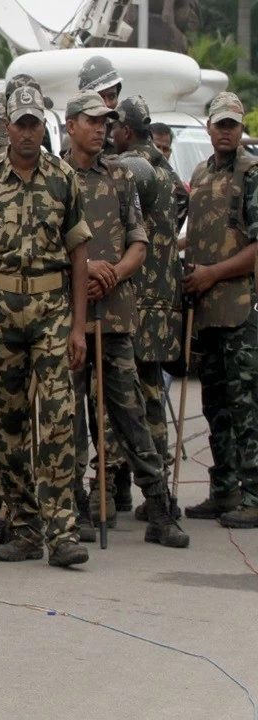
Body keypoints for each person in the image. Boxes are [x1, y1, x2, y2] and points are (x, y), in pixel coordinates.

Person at [0, 84, 91, 568]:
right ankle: (24, 527)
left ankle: (63, 533)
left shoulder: (63, 177)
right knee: (7, 424)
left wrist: (78, 327)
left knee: (58, 420)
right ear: (5, 125)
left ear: (43, 126)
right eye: (19, 123)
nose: (27, 132)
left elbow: (79, 255)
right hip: (3, 314)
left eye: (35, 123)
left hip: (52, 311)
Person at [61, 90, 189, 548]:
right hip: (69, 319)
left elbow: (141, 241)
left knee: (130, 416)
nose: (102, 128)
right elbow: (45, 245)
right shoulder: (54, 176)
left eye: (107, 121)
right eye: (93, 120)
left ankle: (158, 508)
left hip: (114, 316)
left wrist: (112, 272)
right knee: (69, 420)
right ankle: (73, 511)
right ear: (72, 124)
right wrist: (84, 269)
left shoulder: (121, 176)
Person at [181, 92, 258, 529]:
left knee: (246, 405)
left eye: (232, 124)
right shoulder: (200, 174)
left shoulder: (252, 174)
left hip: (242, 309)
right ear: (208, 128)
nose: (226, 131)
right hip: (207, 310)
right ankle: (224, 488)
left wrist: (213, 274)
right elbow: (199, 235)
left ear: (240, 127)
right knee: (216, 406)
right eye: (219, 124)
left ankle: (254, 492)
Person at [112, 96, 189, 523]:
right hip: (163, 297)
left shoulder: (131, 169)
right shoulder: (169, 172)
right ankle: (158, 491)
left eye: (115, 126)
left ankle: (113, 490)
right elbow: (179, 211)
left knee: (120, 395)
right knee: (151, 395)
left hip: (134, 296)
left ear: (127, 129)